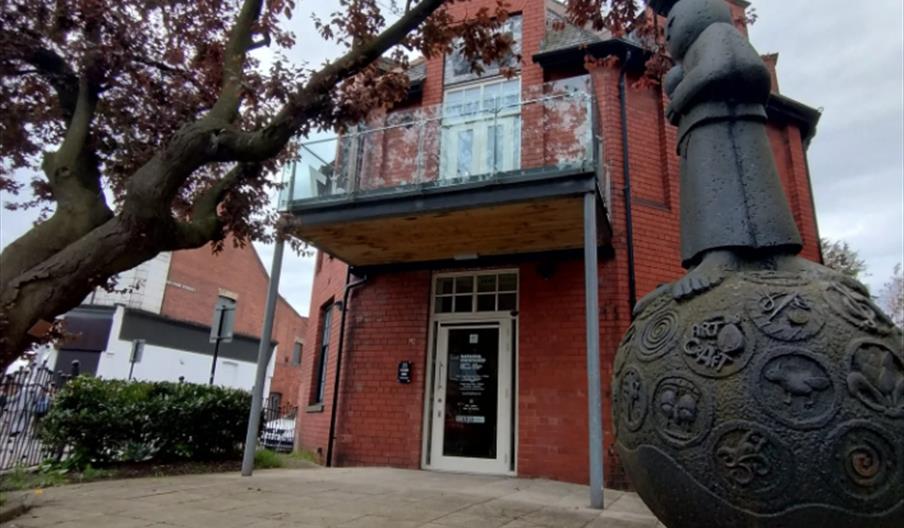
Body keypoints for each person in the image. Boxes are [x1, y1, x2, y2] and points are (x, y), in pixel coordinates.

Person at [663, 0, 803, 299]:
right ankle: (712, 255)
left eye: (672, 22)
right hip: (702, 134)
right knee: (704, 197)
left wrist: (680, 97)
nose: (667, 33)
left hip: (726, 130)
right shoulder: (692, 54)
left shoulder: (717, 33)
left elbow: (733, 66)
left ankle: (731, 254)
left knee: (730, 192)